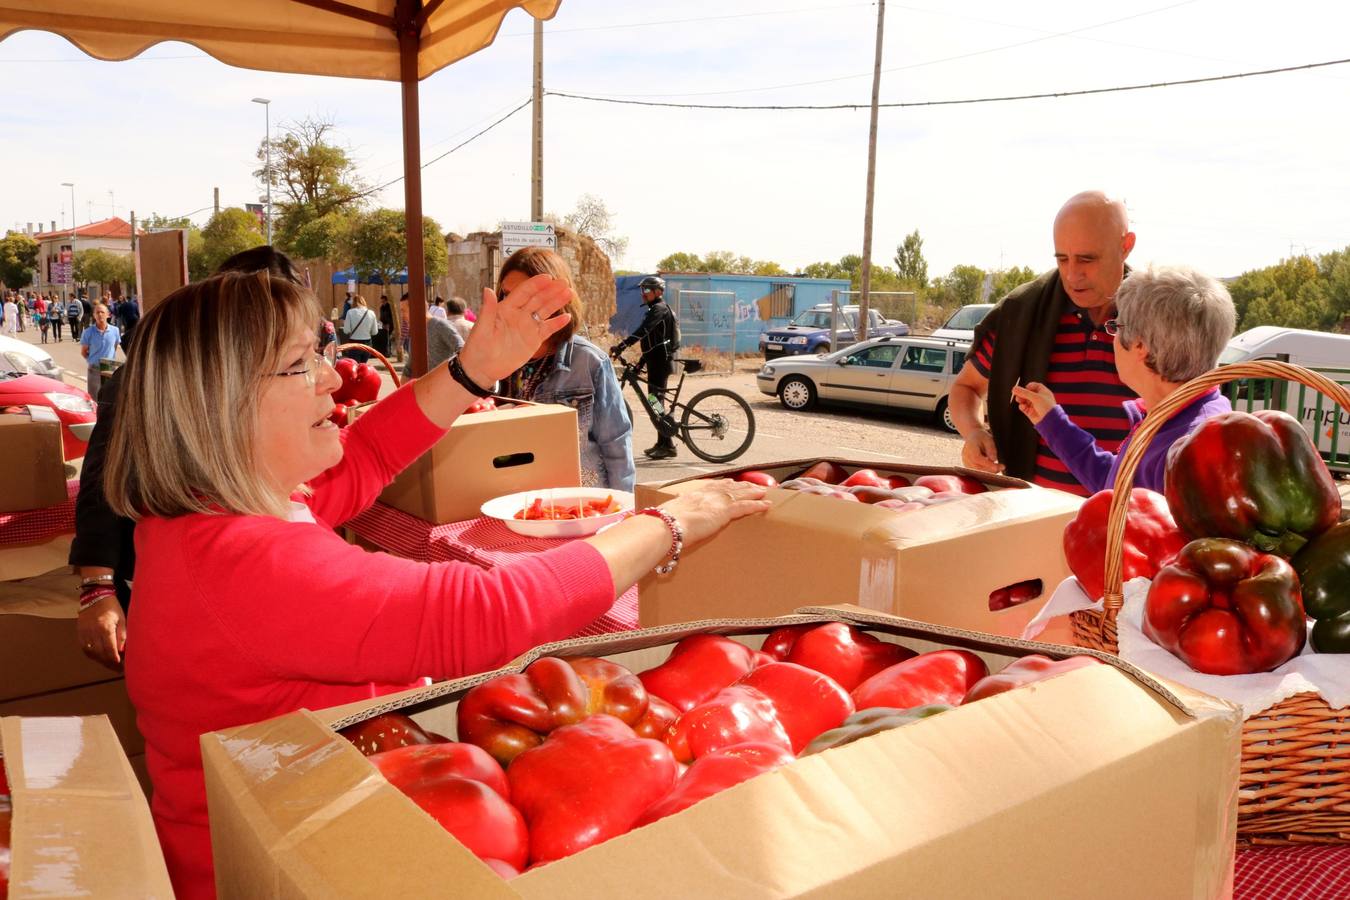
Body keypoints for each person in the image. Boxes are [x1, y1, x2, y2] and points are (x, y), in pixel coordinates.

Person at [101, 269, 767, 898]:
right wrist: (668, 525)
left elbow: (367, 455)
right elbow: (490, 614)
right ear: (221, 403)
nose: (333, 378)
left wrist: (474, 370)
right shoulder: (245, 564)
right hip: (279, 874)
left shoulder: (213, 511)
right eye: (301, 362)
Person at [72, 245, 307, 671]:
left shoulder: (281, 378)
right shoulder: (153, 375)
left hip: (254, 577)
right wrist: (97, 588)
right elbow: (103, 480)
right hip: (166, 584)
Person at [948, 191, 1138, 496]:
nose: (1073, 274)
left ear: (1126, 245)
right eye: (1062, 259)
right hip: (1031, 521)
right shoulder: (1022, 314)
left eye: (1087, 259)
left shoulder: (1157, 319)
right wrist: (973, 432)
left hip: (1124, 525)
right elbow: (965, 388)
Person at [1012, 266, 1235, 494]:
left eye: (1116, 327)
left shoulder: (1188, 455)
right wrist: (1051, 421)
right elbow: (1118, 485)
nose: (1113, 339)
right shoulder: (1181, 419)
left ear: (1140, 346)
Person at [498, 248, 636, 491]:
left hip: (581, 510)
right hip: (515, 507)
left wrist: (622, 514)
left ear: (556, 300)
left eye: (524, 297)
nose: (510, 306)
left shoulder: (588, 362)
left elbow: (617, 448)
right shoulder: (494, 361)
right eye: (505, 295)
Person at [611, 275, 680, 459]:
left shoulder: (659, 309)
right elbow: (652, 342)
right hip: (656, 360)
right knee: (654, 402)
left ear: (658, 292)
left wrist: (622, 346)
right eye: (642, 290)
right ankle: (664, 443)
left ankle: (668, 444)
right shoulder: (655, 309)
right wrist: (641, 363)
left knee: (654, 401)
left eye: (647, 290)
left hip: (661, 363)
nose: (643, 293)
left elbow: (644, 331)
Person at [79, 301, 121, 400]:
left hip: (109, 366)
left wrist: (109, 359)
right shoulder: (88, 332)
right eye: (97, 312)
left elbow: (114, 347)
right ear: (94, 315)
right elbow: (84, 352)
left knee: (109, 397)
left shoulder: (115, 330)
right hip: (94, 368)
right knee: (94, 398)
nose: (100, 314)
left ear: (108, 315)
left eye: (102, 312)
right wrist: (93, 360)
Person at [402, 316, 464, 380]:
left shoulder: (440, 325)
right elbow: (411, 362)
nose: (402, 316)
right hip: (423, 385)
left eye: (404, 310)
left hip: (442, 384)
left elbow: (461, 347)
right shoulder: (415, 329)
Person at [341, 295, 380, 363]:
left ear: (354, 303)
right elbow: (375, 332)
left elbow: (346, 330)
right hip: (367, 343)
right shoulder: (371, 313)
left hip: (354, 343)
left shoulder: (350, 312)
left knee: (355, 367)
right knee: (363, 367)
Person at [375, 292, 394, 357]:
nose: (382, 302)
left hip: (389, 325)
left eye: (383, 301)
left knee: (388, 339)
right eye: (381, 301)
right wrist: (381, 323)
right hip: (383, 324)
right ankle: (385, 351)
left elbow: (391, 317)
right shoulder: (381, 307)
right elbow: (381, 316)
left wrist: (389, 324)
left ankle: (389, 352)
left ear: (386, 300)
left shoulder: (390, 307)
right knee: (385, 338)